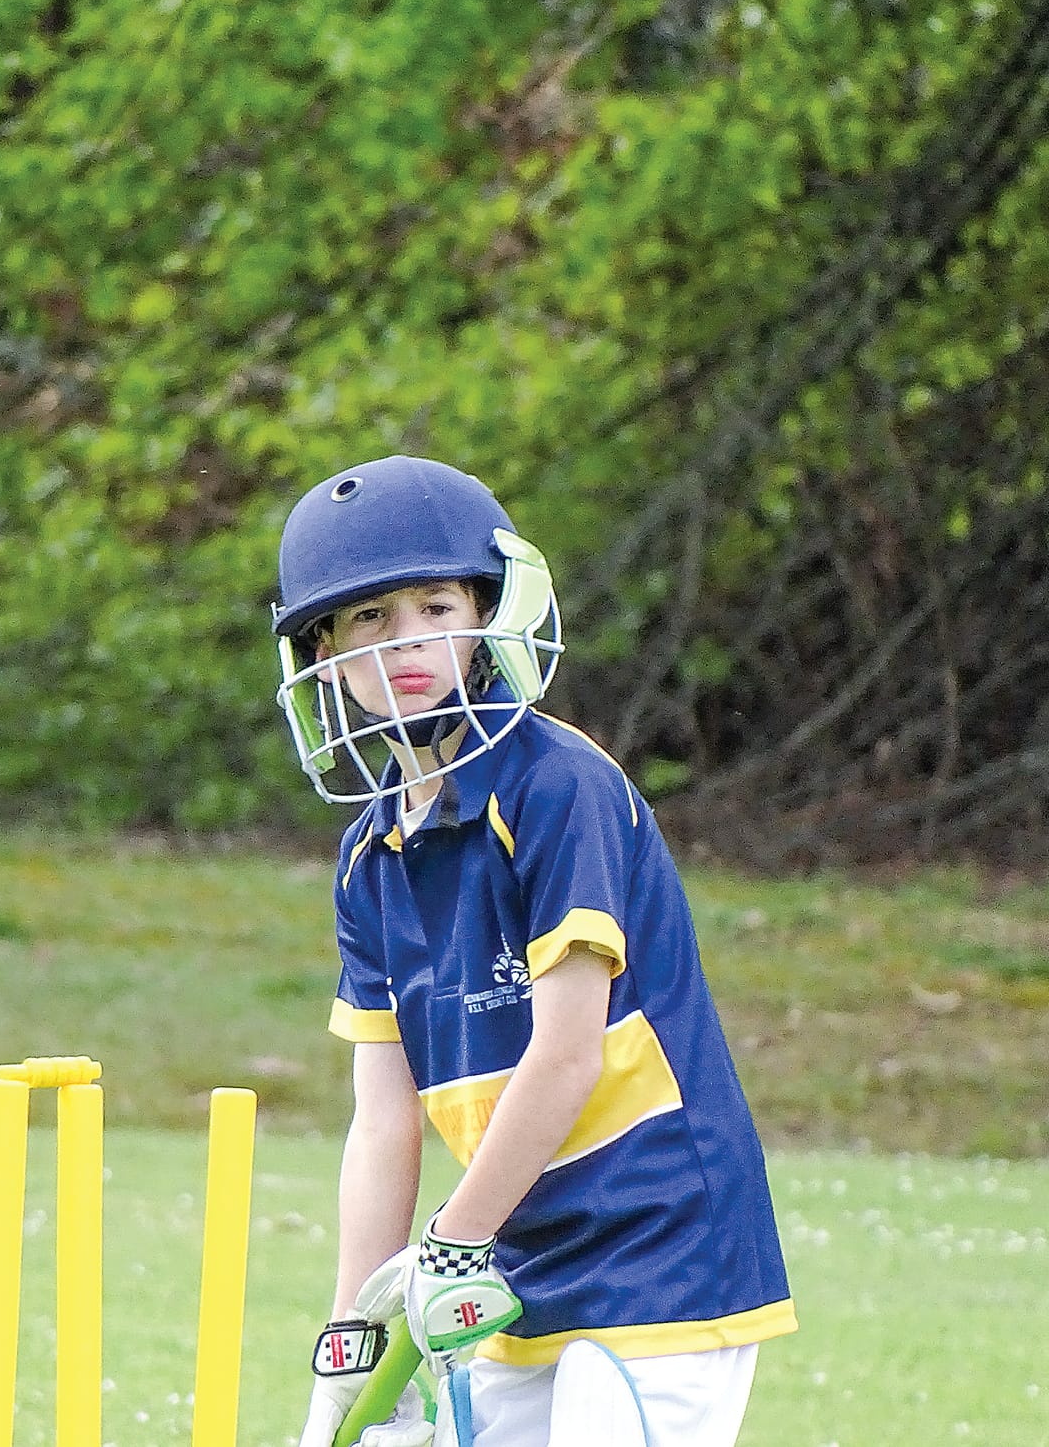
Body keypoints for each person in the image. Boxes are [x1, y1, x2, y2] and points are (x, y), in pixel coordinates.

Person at [274, 456, 797, 1447]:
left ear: (486, 613)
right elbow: (382, 1119)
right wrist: (350, 1339)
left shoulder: (555, 787)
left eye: (432, 606)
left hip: (661, 1241)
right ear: (325, 657)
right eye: (367, 622)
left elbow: (567, 1054)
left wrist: (451, 1241)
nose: (405, 643)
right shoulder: (364, 859)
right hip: (510, 1257)